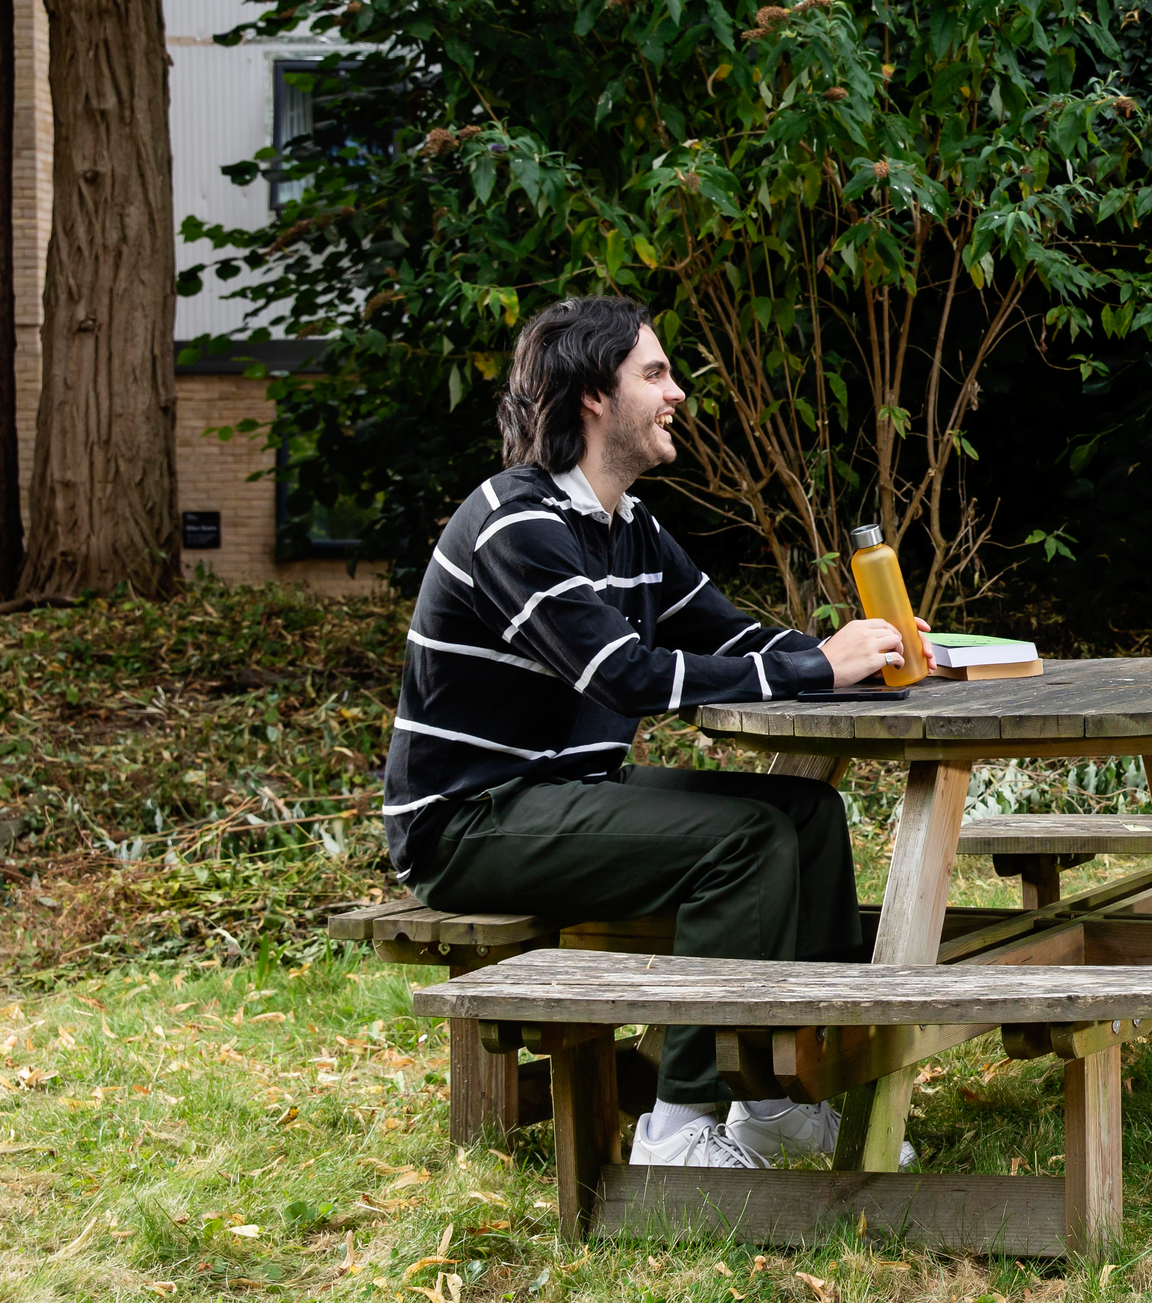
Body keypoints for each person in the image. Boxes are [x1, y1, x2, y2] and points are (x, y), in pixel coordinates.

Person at [382, 294, 913, 1169]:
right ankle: (675, 1127)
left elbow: (730, 636)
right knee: (743, 843)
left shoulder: (631, 527)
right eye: (655, 374)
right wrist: (819, 666)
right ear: (594, 393)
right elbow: (623, 673)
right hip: (468, 822)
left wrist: (860, 653)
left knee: (806, 816)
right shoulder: (517, 524)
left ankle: (776, 1091)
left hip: (563, 793)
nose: (676, 395)